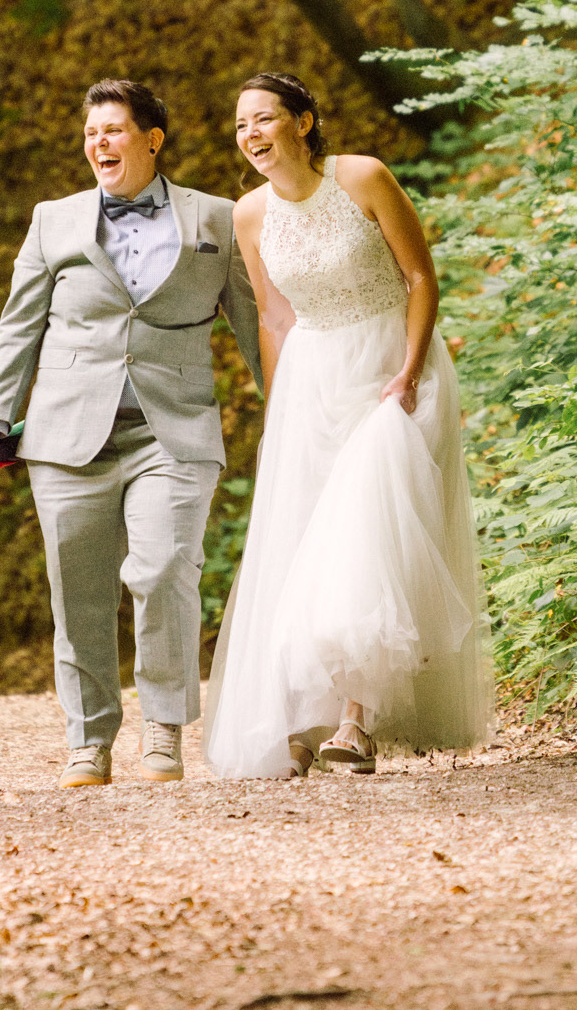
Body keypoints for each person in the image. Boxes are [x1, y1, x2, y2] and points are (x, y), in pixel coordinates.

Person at [0, 78, 260, 788]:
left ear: (152, 139)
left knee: (164, 571)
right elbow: (17, 328)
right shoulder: (52, 221)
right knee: (79, 594)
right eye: (91, 134)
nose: (99, 144)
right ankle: (88, 741)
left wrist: (293, 403)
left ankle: (163, 731)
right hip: (65, 437)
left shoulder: (218, 219)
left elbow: (257, 323)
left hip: (173, 431)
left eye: (113, 130)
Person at [204, 71, 485, 779]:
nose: (250, 135)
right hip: (311, 380)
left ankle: (357, 721)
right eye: (240, 125)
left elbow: (420, 279)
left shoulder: (363, 177)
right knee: (306, 542)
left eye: (263, 118)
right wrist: (279, 408)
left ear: (302, 122)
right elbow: (273, 318)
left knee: (367, 531)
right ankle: (304, 718)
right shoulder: (249, 214)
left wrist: (409, 371)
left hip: (390, 365)